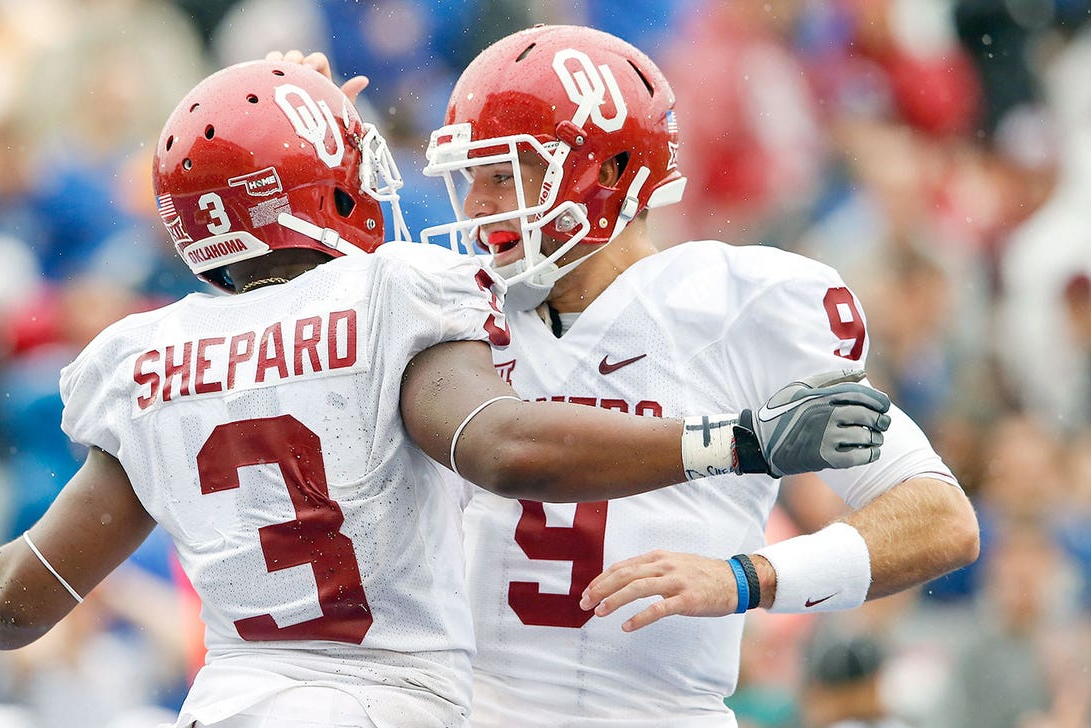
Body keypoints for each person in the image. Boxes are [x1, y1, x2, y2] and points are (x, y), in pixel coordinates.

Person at [0, 60, 891, 728]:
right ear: (320, 185)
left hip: (228, 702)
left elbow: (23, 600)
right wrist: (738, 441)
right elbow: (502, 446)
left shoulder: (147, 354)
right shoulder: (392, 297)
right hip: (390, 703)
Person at [415, 25, 979, 726]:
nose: (475, 207)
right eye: (471, 178)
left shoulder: (738, 304)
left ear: (608, 171)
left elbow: (939, 518)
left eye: (502, 175)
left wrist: (750, 577)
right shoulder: (455, 309)